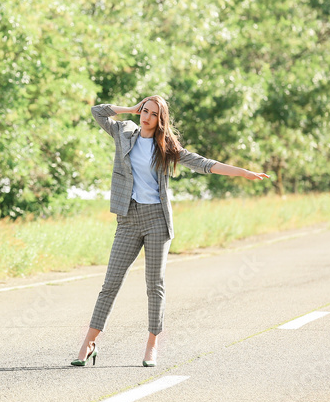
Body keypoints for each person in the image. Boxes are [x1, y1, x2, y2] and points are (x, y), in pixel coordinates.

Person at [72, 97, 269, 368]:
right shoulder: (124, 132)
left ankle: (152, 344)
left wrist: (243, 173)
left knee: (155, 285)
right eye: (144, 111)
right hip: (127, 218)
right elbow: (97, 111)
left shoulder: (166, 147)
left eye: (153, 114)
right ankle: (89, 343)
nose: (146, 117)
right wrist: (130, 108)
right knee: (110, 284)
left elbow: (204, 163)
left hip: (157, 220)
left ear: (160, 119)